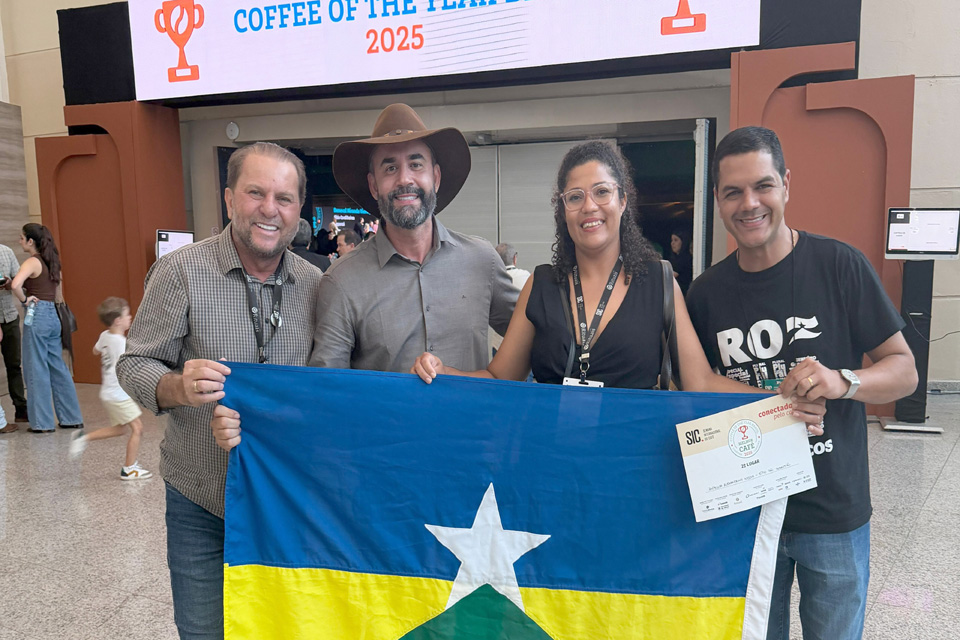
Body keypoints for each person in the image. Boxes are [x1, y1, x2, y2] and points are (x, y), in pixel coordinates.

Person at [410, 139, 826, 432]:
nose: (589, 206)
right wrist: (446, 373)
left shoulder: (659, 280)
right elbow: (502, 377)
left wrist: (779, 404)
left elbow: (700, 382)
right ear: (563, 209)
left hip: (633, 470)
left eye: (601, 192)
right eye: (574, 197)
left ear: (623, 201)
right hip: (550, 464)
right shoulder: (542, 283)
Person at [685, 126, 918, 640]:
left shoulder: (840, 266)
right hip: (744, 512)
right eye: (733, 192)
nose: (750, 203)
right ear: (719, 202)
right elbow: (693, 391)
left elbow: (904, 370)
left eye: (763, 186)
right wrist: (773, 401)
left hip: (832, 509)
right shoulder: (704, 295)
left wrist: (843, 380)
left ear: (786, 185)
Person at [210, 103, 519, 452]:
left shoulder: (481, 261)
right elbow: (326, 393)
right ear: (373, 185)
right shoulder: (342, 281)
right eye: (390, 167)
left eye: (415, 164)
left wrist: (495, 379)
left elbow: (535, 336)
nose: (404, 179)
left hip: (475, 451)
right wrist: (251, 419)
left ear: (436, 176)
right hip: (386, 466)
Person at [116, 142, 323, 640]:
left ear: (298, 211)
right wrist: (177, 388)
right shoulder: (180, 272)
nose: (270, 209)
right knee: (204, 630)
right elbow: (134, 362)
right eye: (256, 193)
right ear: (229, 199)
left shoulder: (318, 285)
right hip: (201, 498)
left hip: (287, 502)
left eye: (284, 198)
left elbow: (327, 387)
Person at [10, 223, 83, 433]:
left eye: (22, 238)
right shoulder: (52, 261)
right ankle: (71, 418)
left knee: (36, 369)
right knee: (58, 367)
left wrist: (24, 300)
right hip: (54, 316)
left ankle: (42, 423)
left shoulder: (32, 261)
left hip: (37, 314)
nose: (19, 241)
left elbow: (16, 285)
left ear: (31, 241)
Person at [69, 297, 151, 480]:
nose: (130, 317)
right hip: (118, 394)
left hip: (108, 393)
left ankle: (82, 438)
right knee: (137, 428)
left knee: (120, 429)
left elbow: (95, 350)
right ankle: (129, 469)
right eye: (127, 314)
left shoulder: (105, 336)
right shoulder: (121, 344)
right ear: (117, 321)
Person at [0, 242, 28, 430]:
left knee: (14, 365)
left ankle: (21, 409)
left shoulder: (6, 251)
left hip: (9, 316)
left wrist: (11, 284)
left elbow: (21, 283)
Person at [490, 243, 531, 353]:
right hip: (522, 343)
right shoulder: (526, 276)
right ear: (514, 258)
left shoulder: (491, 280)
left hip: (499, 344)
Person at [668, 228, 693, 295]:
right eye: (672, 240)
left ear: (683, 242)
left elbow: (668, 277)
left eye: (676, 240)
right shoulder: (675, 259)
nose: (672, 243)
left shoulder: (685, 259)